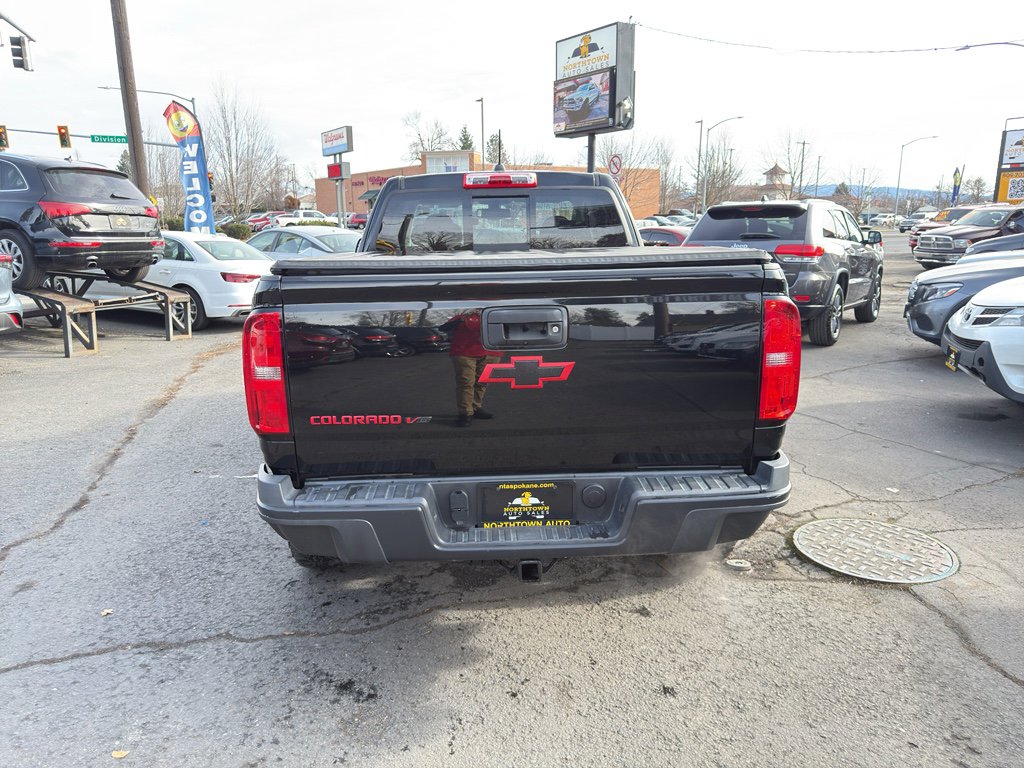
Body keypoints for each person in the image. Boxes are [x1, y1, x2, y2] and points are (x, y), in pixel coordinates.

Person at [439, 310, 501, 427]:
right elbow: (443, 328)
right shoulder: (463, 317)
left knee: (482, 382)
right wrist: (462, 318)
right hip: (464, 352)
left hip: (492, 352)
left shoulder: (495, 316)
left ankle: (476, 408)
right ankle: (465, 413)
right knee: (466, 383)